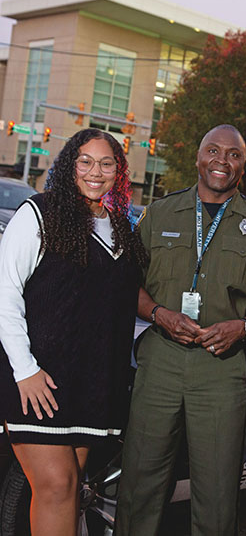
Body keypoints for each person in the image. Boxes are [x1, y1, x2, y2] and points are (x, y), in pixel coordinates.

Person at [115, 124, 246, 535]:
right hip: (160, 360)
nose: (222, 161)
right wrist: (159, 313)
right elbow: (128, 285)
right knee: (140, 480)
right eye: (213, 151)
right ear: (198, 157)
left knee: (216, 491)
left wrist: (244, 327)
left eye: (233, 155)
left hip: (222, 369)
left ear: (243, 165)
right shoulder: (159, 214)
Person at [0, 128, 147, 536]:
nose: (95, 172)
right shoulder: (39, 212)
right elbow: (4, 292)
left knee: (69, 490)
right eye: (85, 161)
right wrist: (24, 370)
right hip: (39, 381)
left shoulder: (122, 227)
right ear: (69, 165)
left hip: (93, 386)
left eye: (106, 163)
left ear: (119, 171)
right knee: (57, 485)